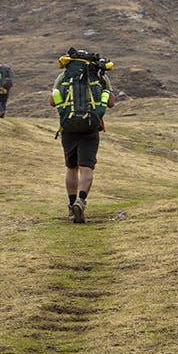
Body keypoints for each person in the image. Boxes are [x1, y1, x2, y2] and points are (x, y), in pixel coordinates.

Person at [52, 48, 112, 223]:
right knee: (87, 168)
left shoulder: (64, 76)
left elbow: (51, 101)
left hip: (68, 128)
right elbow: (112, 103)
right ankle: (82, 200)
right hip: (91, 128)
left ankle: (71, 207)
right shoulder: (100, 75)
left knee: (72, 168)